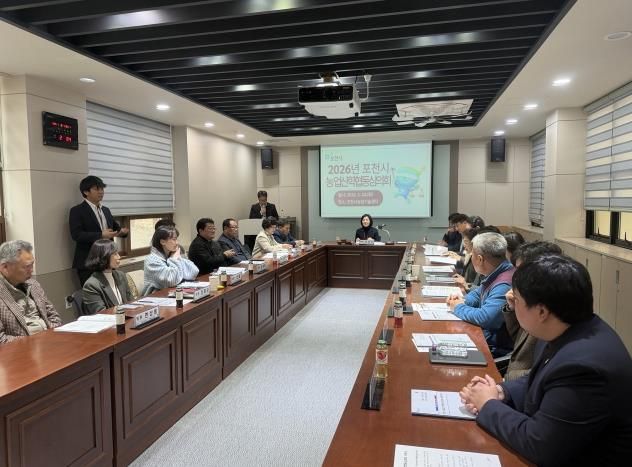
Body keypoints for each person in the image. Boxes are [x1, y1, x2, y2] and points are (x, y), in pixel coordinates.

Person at [459, 255, 632, 467]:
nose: (511, 303)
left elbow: (539, 444)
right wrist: (501, 391)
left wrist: (488, 404)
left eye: (517, 300)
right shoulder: (566, 329)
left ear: (542, 311)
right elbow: (540, 378)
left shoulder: (585, 367)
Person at [501, 241, 562, 381]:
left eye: (521, 271)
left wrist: (505, 382)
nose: (516, 277)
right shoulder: (531, 297)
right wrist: (513, 308)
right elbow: (519, 341)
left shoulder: (549, 309)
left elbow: (544, 372)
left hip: (521, 384)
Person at [448, 232, 514, 355]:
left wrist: (458, 307)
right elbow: (478, 293)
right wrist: (463, 300)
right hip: (484, 338)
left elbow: (485, 318)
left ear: (479, 259)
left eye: (472, 255)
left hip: (494, 348)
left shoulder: (504, 283)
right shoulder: (498, 271)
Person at [69, 175, 129, 286]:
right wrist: (100, 235)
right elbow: (76, 235)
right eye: (97, 189)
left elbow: (116, 229)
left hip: (108, 260)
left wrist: (122, 233)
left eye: (102, 189)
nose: (101, 192)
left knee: (111, 292)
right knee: (92, 292)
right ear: (86, 192)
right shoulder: (77, 211)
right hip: (88, 261)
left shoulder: (106, 210)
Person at [0, 240, 61, 344]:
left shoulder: (33, 284)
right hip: (21, 349)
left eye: (32, 265)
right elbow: (1, 339)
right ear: (5, 267)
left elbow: (54, 317)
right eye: (27, 267)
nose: (32, 270)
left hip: (49, 342)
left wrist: (50, 338)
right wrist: (34, 342)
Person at [142, 226, 199, 296]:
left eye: (176, 239)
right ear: (162, 241)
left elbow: (194, 271)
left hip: (172, 295)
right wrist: (174, 259)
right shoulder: (152, 260)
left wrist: (177, 258)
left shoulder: (170, 255)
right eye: (174, 239)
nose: (177, 243)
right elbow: (171, 281)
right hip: (156, 298)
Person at [82, 239, 134, 314]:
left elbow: (131, 302)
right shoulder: (91, 285)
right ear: (104, 257)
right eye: (115, 254)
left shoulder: (120, 275)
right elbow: (102, 313)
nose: (119, 257)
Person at [452, 227, 481, 293]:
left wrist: (467, 284)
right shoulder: (470, 256)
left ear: (474, 243)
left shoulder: (477, 260)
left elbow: (479, 286)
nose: (464, 245)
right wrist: (462, 279)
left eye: (466, 242)